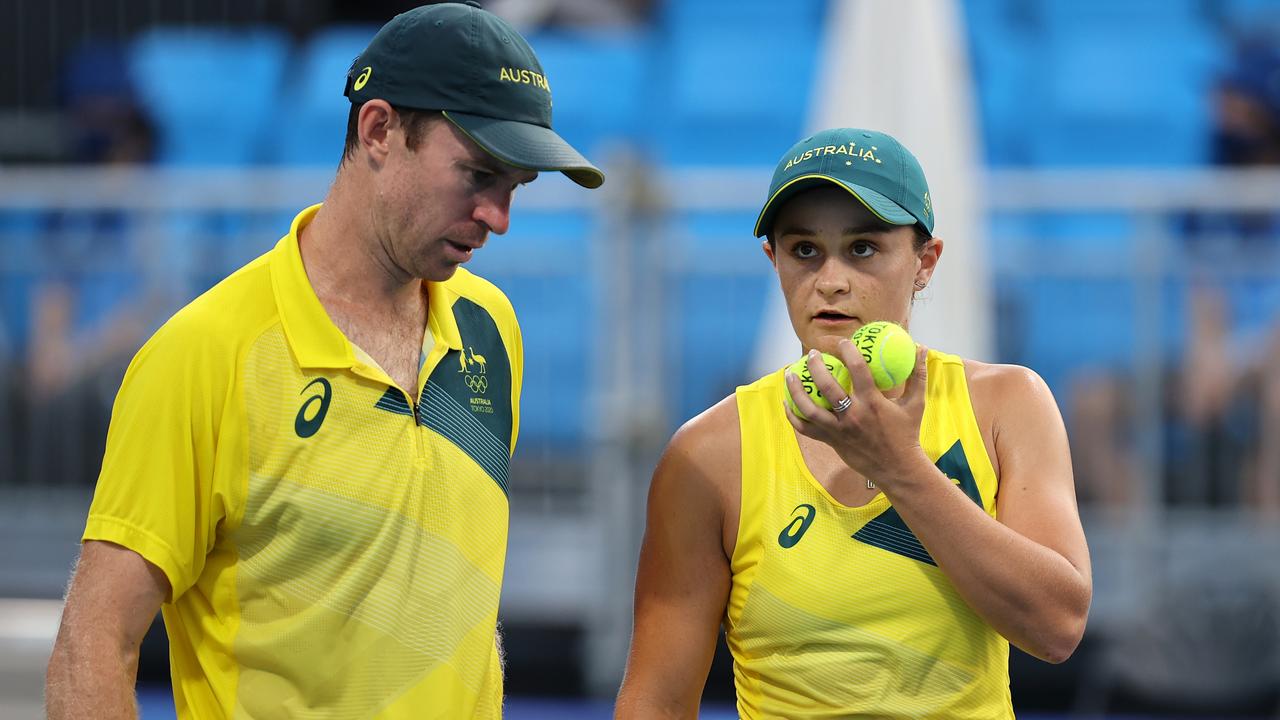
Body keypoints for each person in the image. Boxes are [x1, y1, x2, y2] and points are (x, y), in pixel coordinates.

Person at [44, 3, 603, 718]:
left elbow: (457, 600)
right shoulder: (205, 354)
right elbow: (92, 645)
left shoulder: (491, 329)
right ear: (378, 131)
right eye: (477, 175)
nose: (499, 216)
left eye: (514, 188)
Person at [615, 128, 1091, 718]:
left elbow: (1057, 628)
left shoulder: (1007, 404)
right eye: (804, 250)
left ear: (926, 262)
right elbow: (655, 703)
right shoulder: (710, 452)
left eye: (863, 248)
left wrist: (900, 468)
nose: (832, 279)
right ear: (775, 261)